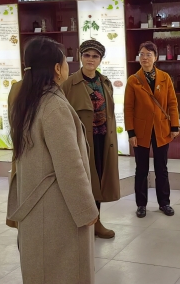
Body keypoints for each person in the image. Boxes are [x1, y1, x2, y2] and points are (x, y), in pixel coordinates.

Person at [6, 37, 98, 284]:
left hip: (35, 205)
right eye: (65, 61)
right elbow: (70, 166)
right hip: (57, 209)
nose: (68, 66)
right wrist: (86, 210)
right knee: (65, 271)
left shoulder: (26, 101)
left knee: (40, 269)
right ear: (57, 68)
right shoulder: (54, 106)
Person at [62, 40, 120, 239]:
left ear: (100, 59)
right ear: (81, 57)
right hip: (80, 142)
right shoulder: (69, 84)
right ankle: (80, 221)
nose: (90, 59)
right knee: (83, 181)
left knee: (99, 179)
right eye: (87, 55)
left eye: (95, 56)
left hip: (102, 139)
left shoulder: (105, 83)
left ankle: (96, 221)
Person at [125, 41, 180, 218]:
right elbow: (128, 108)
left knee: (161, 168)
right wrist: (131, 132)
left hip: (161, 128)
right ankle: (141, 204)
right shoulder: (133, 80)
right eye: (141, 54)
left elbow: (172, 103)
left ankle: (164, 203)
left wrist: (174, 126)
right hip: (141, 130)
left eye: (149, 54)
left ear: (155, 57)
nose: (145, 58)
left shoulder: (165, 77)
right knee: (141, 169)